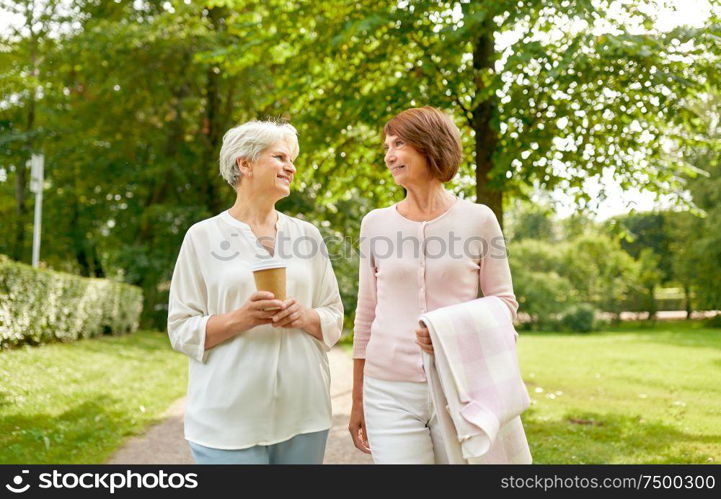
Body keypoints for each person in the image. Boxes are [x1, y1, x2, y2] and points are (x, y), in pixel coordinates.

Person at [348, 106, 519, 464]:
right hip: (388, 389)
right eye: (386, 146)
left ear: (431, 145)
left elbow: (504, 303)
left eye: (399, 144)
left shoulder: (479, 220)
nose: (389, 155)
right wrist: (358, 398)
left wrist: (448, 329)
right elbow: (366, 314)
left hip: (460, 385)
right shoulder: (375, 224)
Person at [168, 120, 343, 464]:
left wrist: (306, 316)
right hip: (227, 419)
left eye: (292, 159)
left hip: (304, 414)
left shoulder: (307, 236)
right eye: (280, 157)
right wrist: (240, 319)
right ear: (244, 164)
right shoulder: (202, 237)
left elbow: (334, 315)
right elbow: (180, 328)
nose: (291, 167)